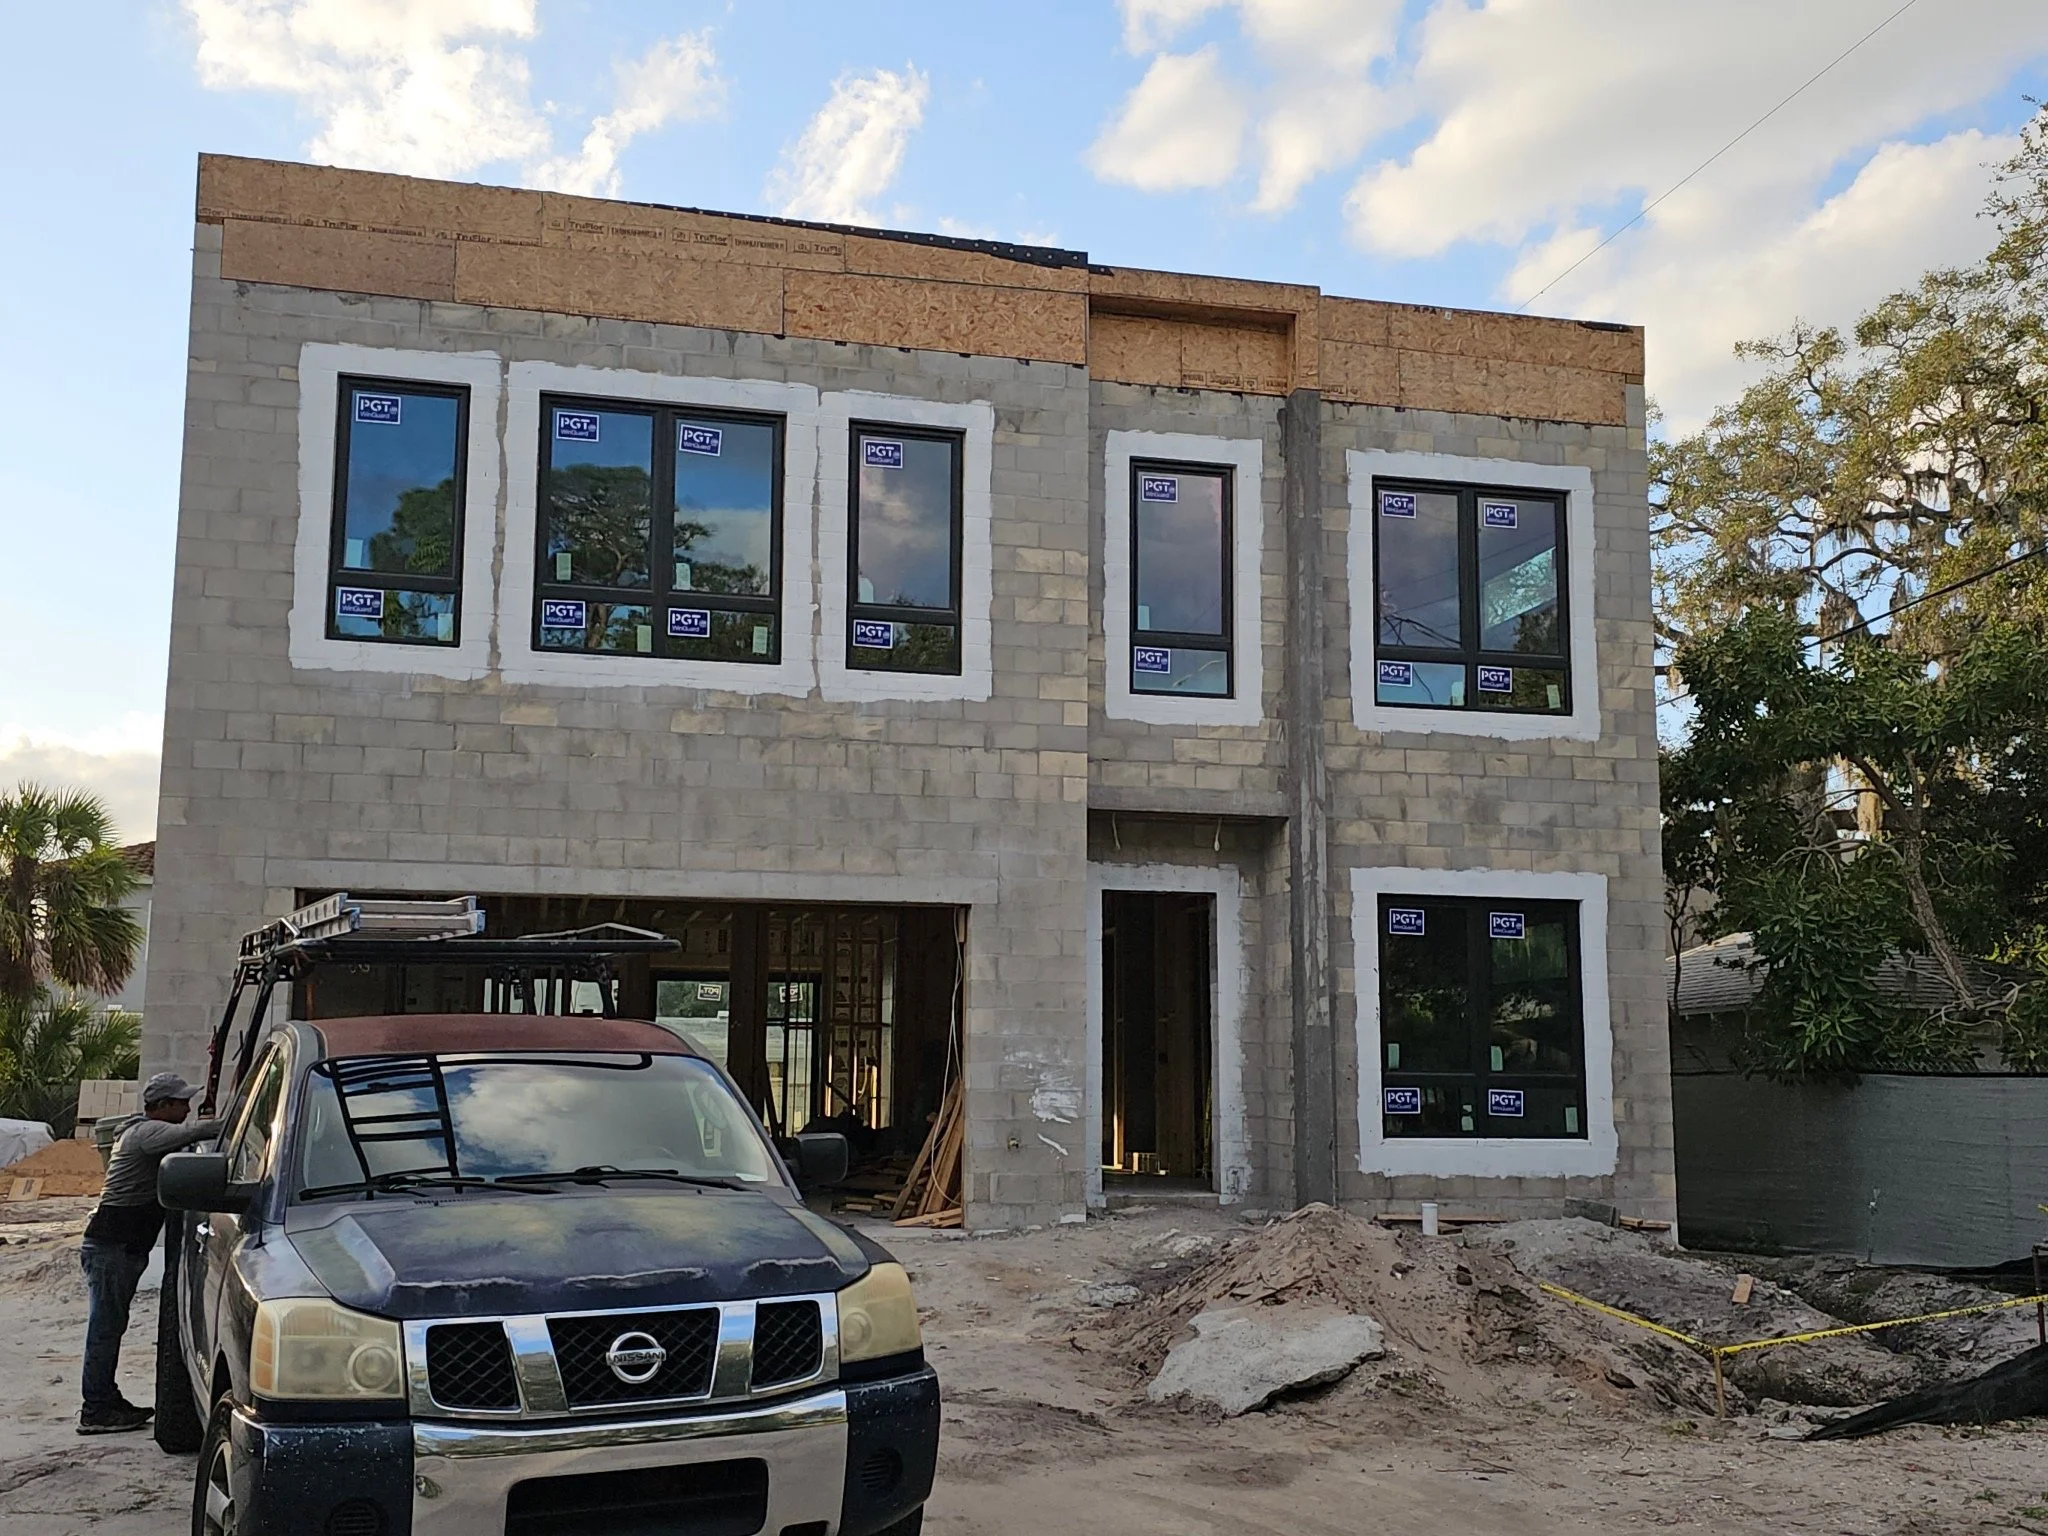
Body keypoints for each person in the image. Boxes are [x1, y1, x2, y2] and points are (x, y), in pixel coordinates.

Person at [76, 1073, 222, 1434]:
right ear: (163, 1106)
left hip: (117, 1247)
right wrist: (228, 1120)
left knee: (110, 1327)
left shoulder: (141, 1131)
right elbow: (193, 1132)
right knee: (105, 1330)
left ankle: (105, 1400)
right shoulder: (147, 1133)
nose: (187, 1108)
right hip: (113, 1248)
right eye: (181, 1103)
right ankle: (96, 1409)